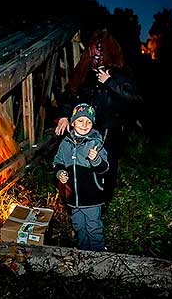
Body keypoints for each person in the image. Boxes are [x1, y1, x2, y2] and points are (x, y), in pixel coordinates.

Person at [54, 28, 142, 203]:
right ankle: (81, 202)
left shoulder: (119, 72)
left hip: (109, 134)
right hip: (85, 131)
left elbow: (135, 99)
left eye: (98, 55)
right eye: (92, 54)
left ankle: (102, 204)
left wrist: (110, 82)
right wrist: (64, 115)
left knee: (105, 168)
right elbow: (71, 94)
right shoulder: (85, 72)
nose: (95, 59)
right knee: (81, 166)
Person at [53, 103, 109, 251]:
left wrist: (96, 160)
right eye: (80, 120)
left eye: (89, 121)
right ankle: (84, 252)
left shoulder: (96, 143)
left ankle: (97, 256)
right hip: (73, 196)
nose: (84, 125)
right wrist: (60, 173)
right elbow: (58, 162)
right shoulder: (65, 143)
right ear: (72, 122)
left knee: (93, 226)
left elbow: (105, 168)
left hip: (92, 196)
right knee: (78, 225)